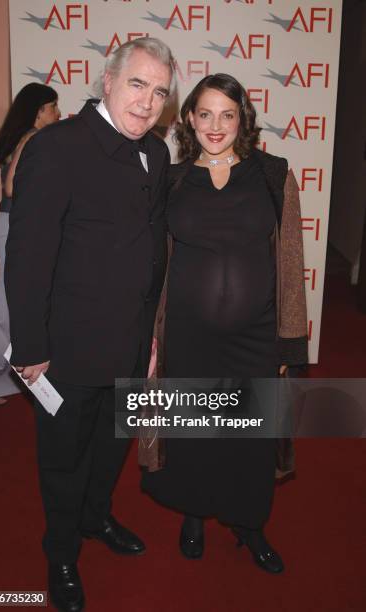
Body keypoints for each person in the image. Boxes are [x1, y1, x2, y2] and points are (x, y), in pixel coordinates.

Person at [5, 38, 174, 612]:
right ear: (107, 79)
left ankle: (96, 517)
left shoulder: (158, 153)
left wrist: (150, 334)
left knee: (110, 448)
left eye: (159, 92)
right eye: (137, 83)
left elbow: (152, 252)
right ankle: (60, 554)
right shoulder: (57, 148)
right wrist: (30, 348)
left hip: (129, 344)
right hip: (66, 354)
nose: (148, 101)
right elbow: (27, 260)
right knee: (63, 459)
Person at [141, 74, 308, 574]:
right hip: (188, 337)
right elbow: (151, 264)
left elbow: (291, 263)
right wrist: (147, 337)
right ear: (189, 118)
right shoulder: (170, 180)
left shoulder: (273, 175)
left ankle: (249, 524)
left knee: (249, 437)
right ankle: (194, 514)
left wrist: (288, 346)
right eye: (205, 114)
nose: (216, 125)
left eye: (227, 114)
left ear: (243, 119)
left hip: (255, 337)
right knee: (193, 432)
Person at [0, 83, 60, 406]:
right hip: (18, 229)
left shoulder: (17, 136)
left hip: (10, 226)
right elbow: (12, 185)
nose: (57, 113)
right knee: (6, 313)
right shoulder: (34, 138)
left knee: (13, 310)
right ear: (40, 110)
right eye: (53, 107)